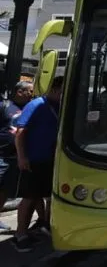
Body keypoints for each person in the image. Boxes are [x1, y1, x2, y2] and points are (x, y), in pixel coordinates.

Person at [12, 76, 63, 253]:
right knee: (29, 198)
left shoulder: (57, 106)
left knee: (44, 195)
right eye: (63, 92)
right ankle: (20, 236)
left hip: (48, 160)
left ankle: (43, 225)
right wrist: (22, 157)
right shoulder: (36, 105)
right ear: (56, 90)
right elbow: (20, 133)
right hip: (33, 159)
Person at [0, 82, 34, 232]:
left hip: (16, 157)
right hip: (2, 155)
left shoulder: (30, 108)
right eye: (29, 91)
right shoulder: (5, 106)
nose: (32, 94)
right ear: (20, 92)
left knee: (5, 191)